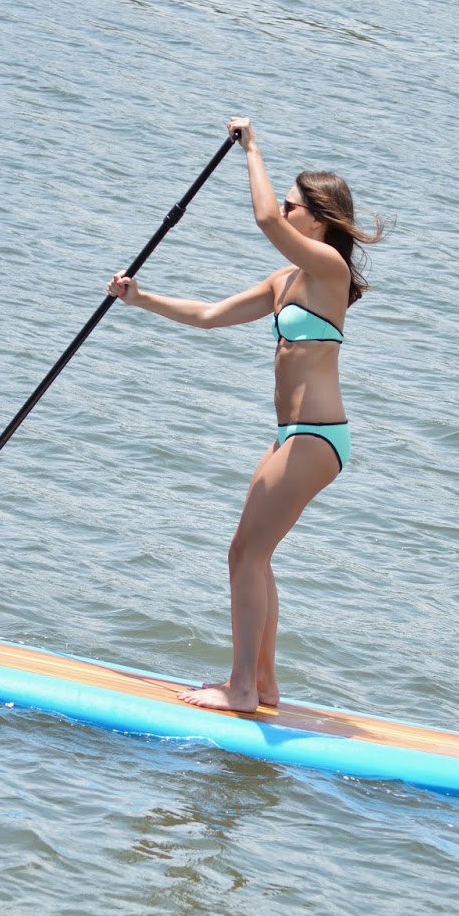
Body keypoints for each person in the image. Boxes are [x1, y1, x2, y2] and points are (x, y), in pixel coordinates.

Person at [107, 116, 382, 713]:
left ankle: (240, 690)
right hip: (291, 436)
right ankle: (263, 684)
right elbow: (210, 316)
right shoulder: (285, 281)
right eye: (283, 205)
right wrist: (139, 298)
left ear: (319, 219)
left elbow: (262, 220)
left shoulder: (329, 271)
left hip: (317, 437)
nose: (282, 212)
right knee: (251, 556)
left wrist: (252, 146)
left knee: (246, 556)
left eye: (292, 206)